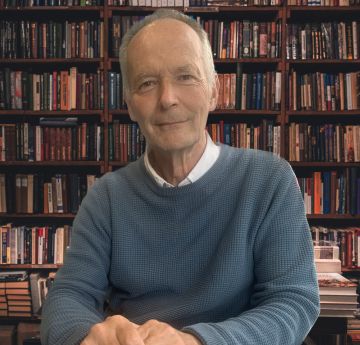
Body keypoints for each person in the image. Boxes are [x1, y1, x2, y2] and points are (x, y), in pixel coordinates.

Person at [41, 9, 320, 345]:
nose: (167, 99)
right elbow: (67, 298)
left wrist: (196, 341)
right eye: (147, 83)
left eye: (186, 76)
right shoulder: (106, 197)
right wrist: (88, 336)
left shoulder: (269, 181)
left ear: (214, 91)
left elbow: (293, 302)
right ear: (129, 104)